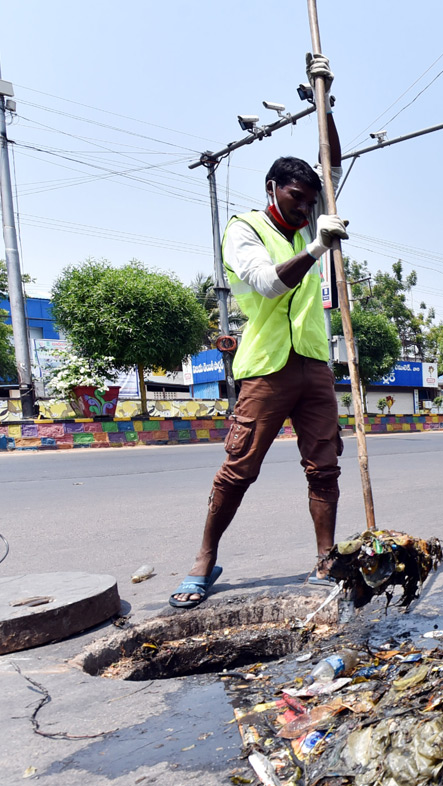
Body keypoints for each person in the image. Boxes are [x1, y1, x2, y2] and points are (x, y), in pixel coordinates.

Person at [171, 54, 349, 608]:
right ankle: (204, 559)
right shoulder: (244, 229)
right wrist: (318, 245)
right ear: (273, 189)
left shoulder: (310, 220)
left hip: (314, 366)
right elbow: (268, 286)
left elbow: (331, 166)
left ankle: (325, 558)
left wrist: (324, 105)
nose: (305, 210)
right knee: (239, 468)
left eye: (311, 204)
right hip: (266, 368)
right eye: (297, 200)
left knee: (324, 465)